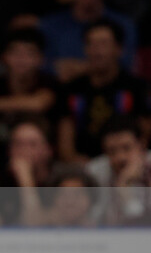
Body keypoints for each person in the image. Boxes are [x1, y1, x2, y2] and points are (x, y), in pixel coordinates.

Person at [57, 18, 151, 161]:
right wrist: (82, 165)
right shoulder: (72, 89)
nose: (97, 51)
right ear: (85, 49)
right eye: (91, 44)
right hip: (83, 166)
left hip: (128, 159)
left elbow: (146, 133)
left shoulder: (136, 87)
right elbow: (65, 145)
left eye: (103, 44)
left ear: (119, 49)